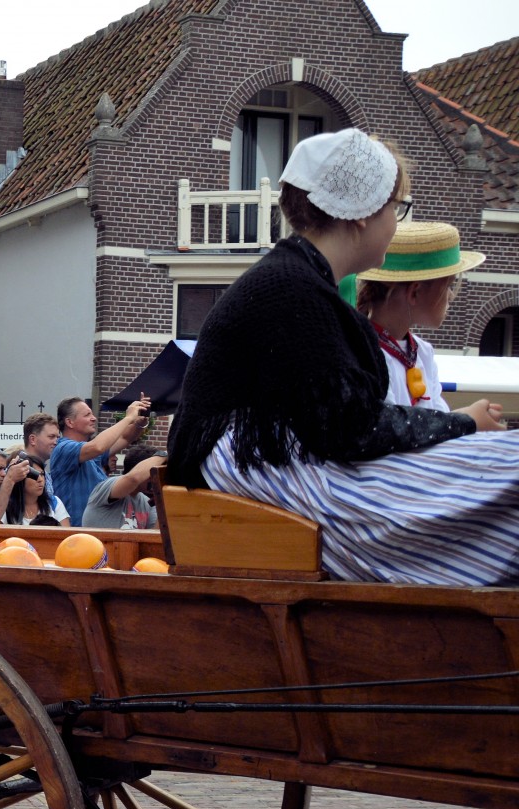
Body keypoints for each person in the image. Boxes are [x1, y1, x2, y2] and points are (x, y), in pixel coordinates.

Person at [169, 129, 509, 584]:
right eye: (395, 209)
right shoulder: (292, 289)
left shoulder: (296, 281)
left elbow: (340, 423)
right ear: (363, 215)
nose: (395, 222)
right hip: (257, 469)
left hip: (268, 460)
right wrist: (462, 423)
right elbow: (350, 428)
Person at [356, 221, 484, 411]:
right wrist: (468, 419)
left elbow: (437, 418)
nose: (451, 296)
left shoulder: (423, 352)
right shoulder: (367, 355)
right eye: (448, 285)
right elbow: (393, 430)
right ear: (415, 292)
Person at [49, 395, 150, 525]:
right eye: (87, 415)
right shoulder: (63, 448)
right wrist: (128, 417)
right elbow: (98, 447)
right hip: (76, 536)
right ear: (69, 422)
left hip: (96, 534)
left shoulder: (89, 452)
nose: (94, 418)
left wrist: (139, 422)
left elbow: (125, 438)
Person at [80, 445, 164, 530]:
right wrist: (165, 455)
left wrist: (163, 506)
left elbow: (154, 535)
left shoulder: (147, 502)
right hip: (99, 543)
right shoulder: (107, 486)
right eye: (152, 473)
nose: (157, 478)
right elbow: (133, 479)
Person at [0, 453, 69, 527]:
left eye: (42, 474)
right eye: (34, 475)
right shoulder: (5, 506)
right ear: (20, 478)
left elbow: (66, 535)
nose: (40, 480)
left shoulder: (54, 503)